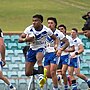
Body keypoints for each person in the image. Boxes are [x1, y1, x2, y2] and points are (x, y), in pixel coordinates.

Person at [18, 14, 59, 88]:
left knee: (39, 59)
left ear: (41, 22)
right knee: (27, 72)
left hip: (41, 47)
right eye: (33, 21)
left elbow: (55, 38)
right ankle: (42, 72)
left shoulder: (46, 30)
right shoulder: (29, 29)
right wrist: (26, 39)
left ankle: (41, 77)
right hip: (32, 49)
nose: (34, 22)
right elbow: (19, 39)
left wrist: (56, 46)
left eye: (36, 21)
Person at [44, 17, 69, 90]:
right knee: (47, 74)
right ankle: (58, 77)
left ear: (55, 24)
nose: (49, 25)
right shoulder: (45, 31)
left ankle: (55, 88)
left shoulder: (58, 33)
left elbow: (67, 42)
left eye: (51, 23)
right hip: (47, 53)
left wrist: (61, 49)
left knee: (52, 72)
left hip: (55, 53)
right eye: (48, 23)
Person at [57, 24, 75, 90]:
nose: (60, 30)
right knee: (58, 74)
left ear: (65, 30)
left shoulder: (69, 38)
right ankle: (60, 85)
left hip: (65, 56)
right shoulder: (56, 37)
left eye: (62, 29)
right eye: (59, 29)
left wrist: (66, 50)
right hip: (58, 56)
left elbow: (73, 49)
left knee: (63, 72)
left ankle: (66, 86)